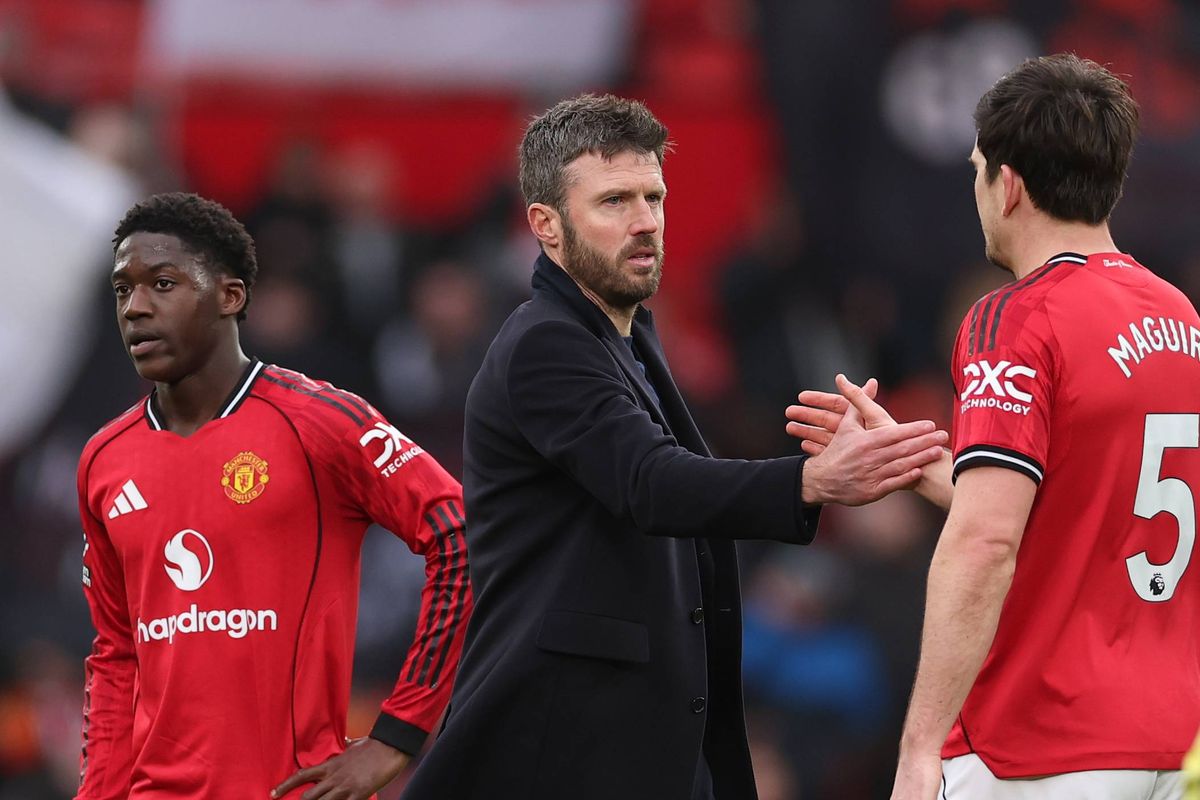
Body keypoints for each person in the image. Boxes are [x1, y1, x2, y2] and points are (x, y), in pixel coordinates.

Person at [401, 93, 948, 800]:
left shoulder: (625, 334)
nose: (644, 222)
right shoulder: (547, 343)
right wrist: (811, 481)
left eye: (652, 197)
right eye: (614, 202)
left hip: (638, 739)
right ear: (546, 226)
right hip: (565, 749)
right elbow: (654, 484)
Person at [787, 54, 1200, 799]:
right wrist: (924, 466)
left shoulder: (1015, 318)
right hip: (1168, 744)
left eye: (977, 170)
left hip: (1038, 745)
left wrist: (918, 750)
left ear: (1006, 185)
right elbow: (1084, 512)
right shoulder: (1178, 316)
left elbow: (986, 541)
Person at [74, 192, 472, 799]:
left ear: (230, 297)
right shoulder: (105, 460)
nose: (136, 308)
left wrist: (400, 735)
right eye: (123, 290)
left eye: (162, 283)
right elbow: (116, 653)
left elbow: (458, 536)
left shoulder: (321, 421)